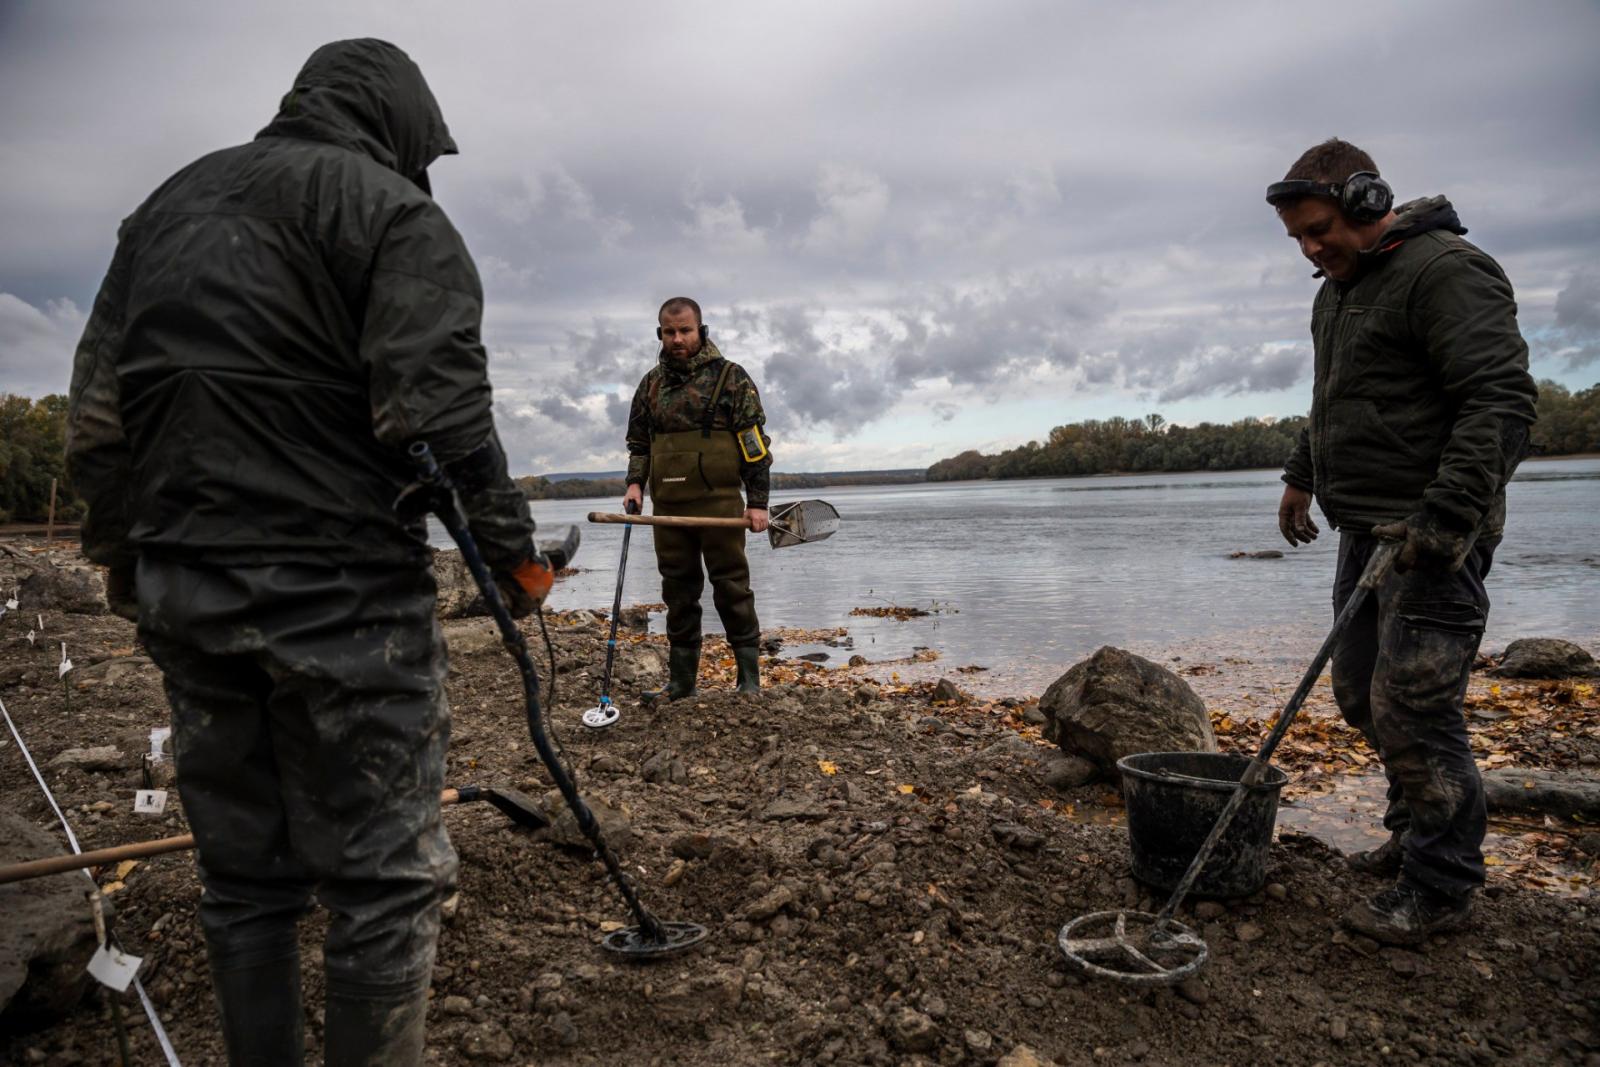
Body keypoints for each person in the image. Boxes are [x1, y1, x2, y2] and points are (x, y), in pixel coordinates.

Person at [66, 39, 552, 1066]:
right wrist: (514, 557)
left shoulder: (163, 211)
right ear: (402, 125)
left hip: (184, 584)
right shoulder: (393, 213)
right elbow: (443, 413)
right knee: (385, 877)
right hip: (343, 594)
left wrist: (126, 564)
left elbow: (99, 419)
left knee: (244, 878)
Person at [1269, 139, 1538, 945]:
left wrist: (1446, 517)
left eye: (1320, 230)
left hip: (1433, 539)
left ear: (1364, 199)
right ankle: (1408, 829)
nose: (1313, 250)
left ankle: (1442, 885)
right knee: (1360, 694)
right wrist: (1300, 474)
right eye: (1300, 241)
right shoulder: (1338, 292)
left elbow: (1500, 402)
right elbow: (1336, 398)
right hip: (1364, 529)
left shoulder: (1446, 270)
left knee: (1416, 710)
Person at [623, 297, 772, 699]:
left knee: (731, 588)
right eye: (670, 332)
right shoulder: (651, 385)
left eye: (685, 330)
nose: (677, 338)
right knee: (678, 592)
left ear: (701, 331)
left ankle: (749, 680)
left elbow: (755, 448)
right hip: (668, 509)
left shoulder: (731, 378)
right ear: (660, 333)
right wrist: (635, 484)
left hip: (720, 505)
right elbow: (639, 443)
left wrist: (757, 502)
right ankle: (681, 682)